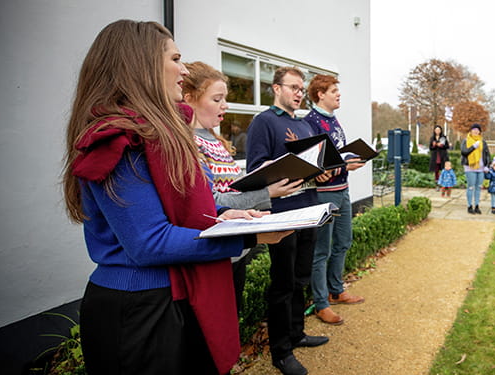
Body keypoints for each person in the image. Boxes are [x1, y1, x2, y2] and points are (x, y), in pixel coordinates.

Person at [62, 20, 288, 375]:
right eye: (175, 58)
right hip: (139, 308)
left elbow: (180, 206)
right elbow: (149, 243)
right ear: (141, 65)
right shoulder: (118, 139)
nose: (184, 69)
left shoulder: (156, 133)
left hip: (171, 295)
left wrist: (220, 215)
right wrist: (250, 237)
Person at [182, 61, 302, 313]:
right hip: (212, 253)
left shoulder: (216, 140)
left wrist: (261, 176)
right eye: (217, 99)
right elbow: (211, 202)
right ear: (189, 98)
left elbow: (231, 190)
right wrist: (267, 192)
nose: (225, 105)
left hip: (234, 250)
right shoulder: (187, 144)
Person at [247, 66, 330, 375]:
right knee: (282, 283)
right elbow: (256, 169)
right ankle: (281, 351)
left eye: (300, 88)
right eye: (293, 87)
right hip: (282, 212)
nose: (298, 93)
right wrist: (288, 167)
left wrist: (319, 170)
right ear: (276, 88)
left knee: (300, 278)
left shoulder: (306, 126)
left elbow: (313, 165)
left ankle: (296, 333)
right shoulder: (263, 122)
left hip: (309, 207)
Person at [302, 74, 367, 326]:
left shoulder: (333, 120)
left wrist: (349, 158)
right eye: (333, 91)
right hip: (324, 194)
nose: (338, 94)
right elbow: (315, 163)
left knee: (343, 242)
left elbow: (335, 153)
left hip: (343, 189)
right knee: (322, 250)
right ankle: (321, 303)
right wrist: (344, 165)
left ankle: (336, 290)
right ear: (320, 94)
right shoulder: (311, 122)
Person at [460, 123, 491, 214]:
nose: (476, 131)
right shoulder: (466, 141)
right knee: (471, 187)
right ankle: (470, 206)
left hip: (480, 168)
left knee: (478, 187)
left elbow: (487, 154)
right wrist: (473, 147)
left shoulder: (483, 142)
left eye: (478, 130)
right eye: (474, 129)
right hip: (470, 167)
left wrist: (487, 165)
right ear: (471, 130)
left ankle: (477, 205)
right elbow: (464, 152)